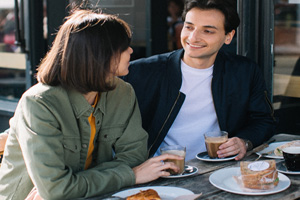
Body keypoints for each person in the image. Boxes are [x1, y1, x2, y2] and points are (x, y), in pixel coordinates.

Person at [0, 9, 182, 200]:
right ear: (99, 55)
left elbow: (134, 158)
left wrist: (70, 183)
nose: (131, 51)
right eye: (124, 47)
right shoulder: (39, 104)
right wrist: (131, 175)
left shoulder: (122, 92)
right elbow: (56, 190)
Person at [123, 0, 276, 161]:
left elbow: (264, 120)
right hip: (159, 171)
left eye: (208, 31)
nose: (193, 37)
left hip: (217, 167)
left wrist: (244, 141)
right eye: (189, 27)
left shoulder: (244, 71)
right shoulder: (141, 72)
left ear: (228, 36)